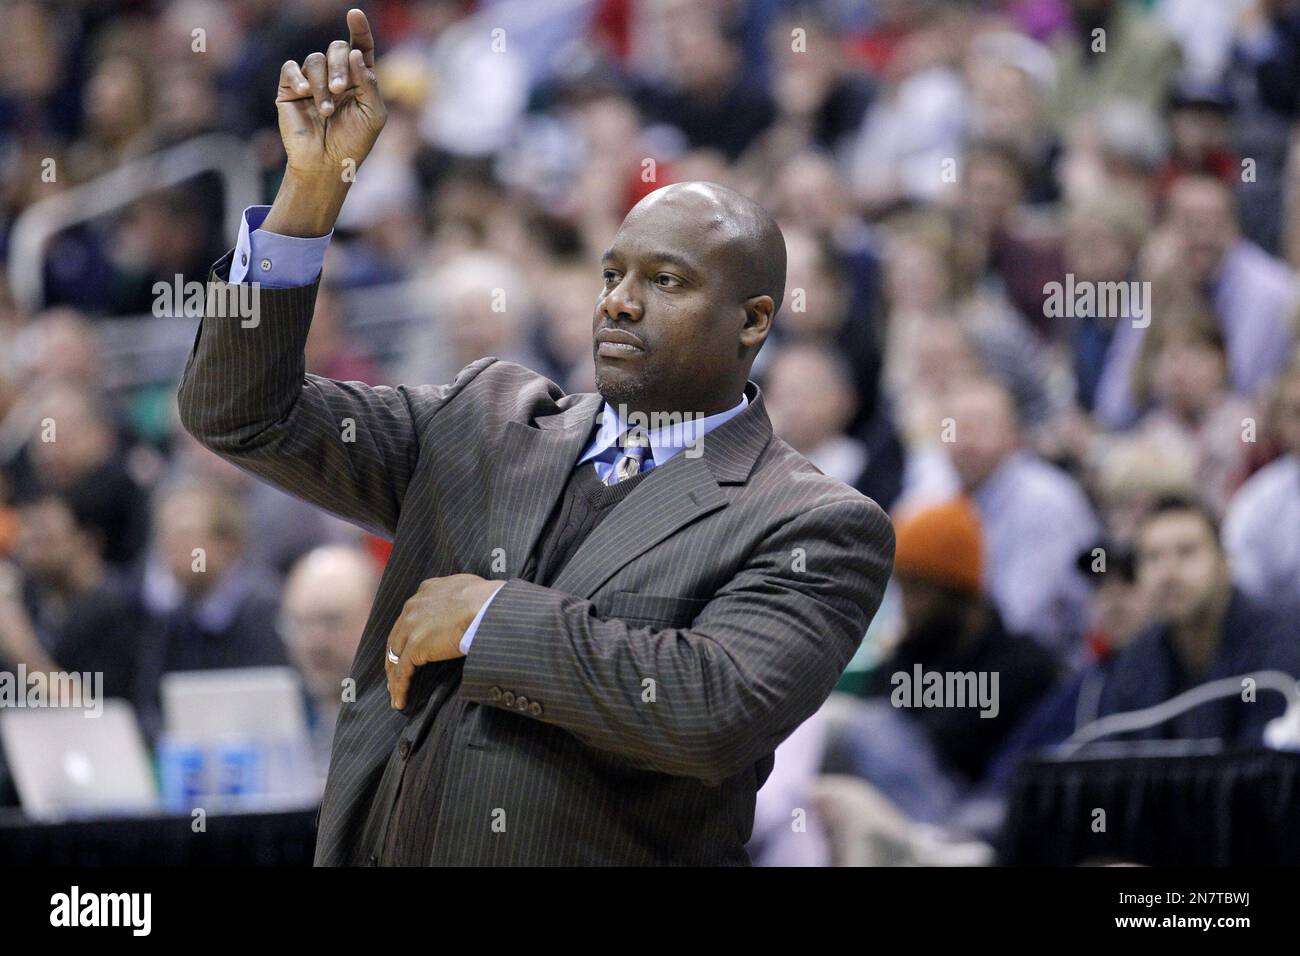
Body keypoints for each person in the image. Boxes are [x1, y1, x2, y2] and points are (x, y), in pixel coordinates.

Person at [177, 10, 894, 867]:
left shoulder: (813, 522)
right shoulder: (483, 415)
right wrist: (311, 195)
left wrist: (490, 621)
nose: (620, 302)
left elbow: (710, 711)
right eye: (611, 275)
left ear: (753, 321)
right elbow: (239, 412)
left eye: (665, 281)